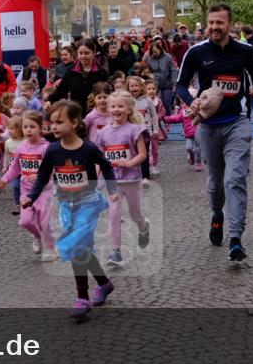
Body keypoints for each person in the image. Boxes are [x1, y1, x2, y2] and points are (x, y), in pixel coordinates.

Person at [175, 2, 253, 260]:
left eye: (219, 23)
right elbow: (181, 85)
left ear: (229, 24)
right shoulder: (195, 52)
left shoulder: (245, 51)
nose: (214, 27)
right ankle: (217, 215)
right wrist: (189, 100)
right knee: (216, 183)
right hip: (208, 126)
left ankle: (236, 238)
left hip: (237, 121)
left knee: (234, 179)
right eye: (211, 23)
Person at [22, 100, 118, 318]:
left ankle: (82, 298)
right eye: (52, 122)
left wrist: (111, 189)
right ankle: (103, 283)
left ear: (75, 123)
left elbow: (106, 165)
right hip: (67, 204)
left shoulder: (89, 148)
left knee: (75, 246)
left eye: (59, 122)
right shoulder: (52, 150)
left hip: (88, 203)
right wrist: (31, 197)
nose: (54, 127)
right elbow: (43, 176)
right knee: (83, 249)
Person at [92, 91, 150, 268]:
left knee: (135, 214)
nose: (116, 109)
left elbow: (143, 155)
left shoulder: (135, 129)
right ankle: (115, 252)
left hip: (131, 179)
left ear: (129, 109)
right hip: (113, 182)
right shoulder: (103, 133)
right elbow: (98, 159)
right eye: (113, 106)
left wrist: (129, 162)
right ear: (108, 109)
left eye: (120, 106)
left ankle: (143, 226)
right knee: (114, 215)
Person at [0, 110, 54, 258]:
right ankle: (37, 236)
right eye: (25, 127)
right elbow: (15, 168)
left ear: (40, 128)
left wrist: (40, 175)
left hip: (44, 191)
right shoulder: (21, 147)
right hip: (26, 191)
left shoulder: (46, 148)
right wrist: (3, 180)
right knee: (25, 221)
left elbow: (54, 168)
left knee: (45, 222)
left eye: (32, 127)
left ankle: (50, 249)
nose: (28, 130)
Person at [49, 38, 108, 112]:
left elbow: (107, 93)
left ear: (93, 53)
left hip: (96, 114)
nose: (83, 56)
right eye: (80, 53)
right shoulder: (70, 71)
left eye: (86, 53)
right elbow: (61, 91)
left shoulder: (101, 72)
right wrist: (49, 101)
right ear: (77, 53)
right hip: (76, 114)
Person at [163, 99, 202, 171]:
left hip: (198, 132)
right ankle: (191, 155)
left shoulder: (198, 107)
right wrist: (167, 119)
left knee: (198, 149)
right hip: (188, 134)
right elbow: (177, 118)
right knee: (189, 148)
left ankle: (198, 162)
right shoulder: (183, 110)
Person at [143, 38, 178, 112]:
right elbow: (146, 69)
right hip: (155, 85)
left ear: (160, 50)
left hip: (167, 83)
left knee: (165, 102)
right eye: (152, 52)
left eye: (155, 52)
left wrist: (174, 83)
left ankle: (168, 119)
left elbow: (173, 70)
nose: (154, 54)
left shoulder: (167, 57)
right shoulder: (150, 58)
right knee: (154, 104)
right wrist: (148, 74)